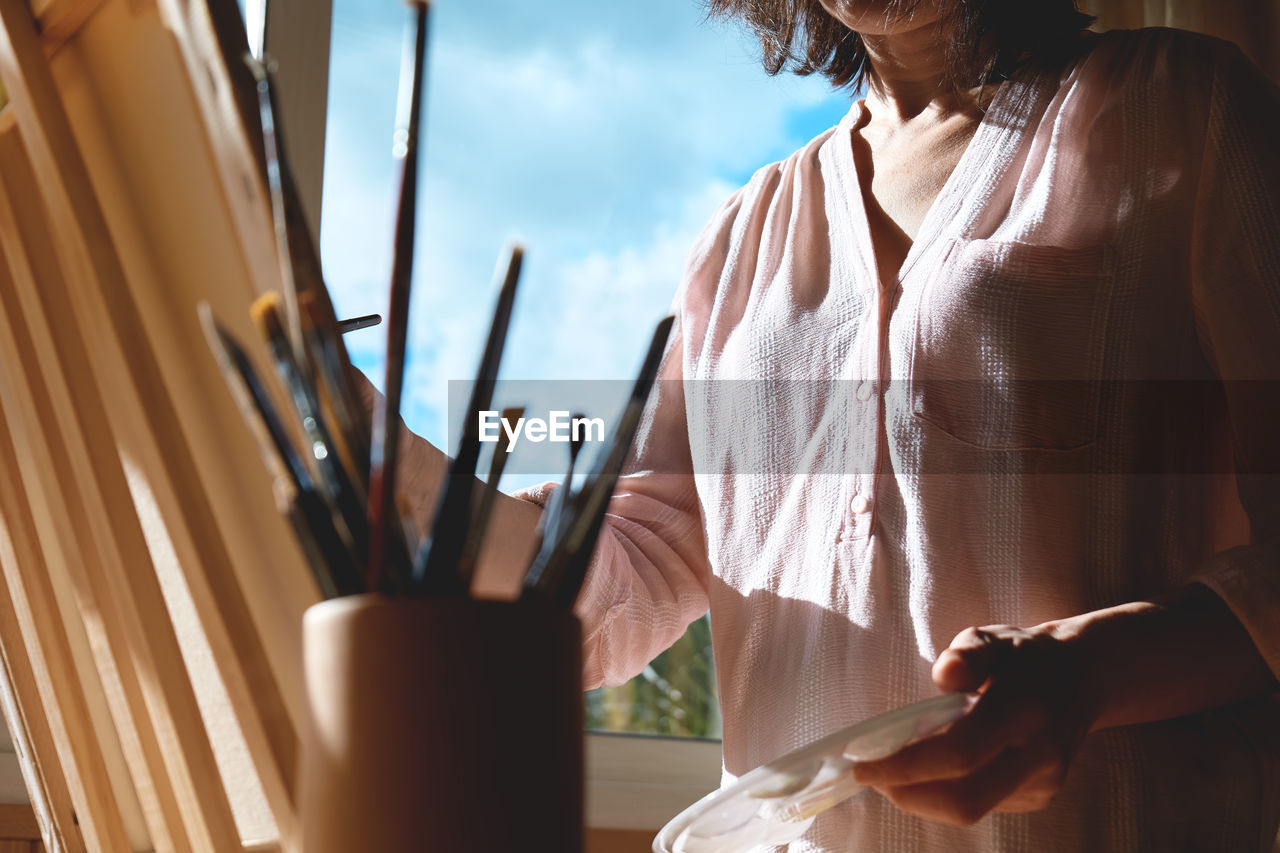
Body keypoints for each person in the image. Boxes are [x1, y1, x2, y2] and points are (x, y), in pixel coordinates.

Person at [393, 1, 1280, 848]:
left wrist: (1093, 670)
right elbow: (622, 569)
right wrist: (392, 466)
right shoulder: (743, 238)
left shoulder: (1182, 112)